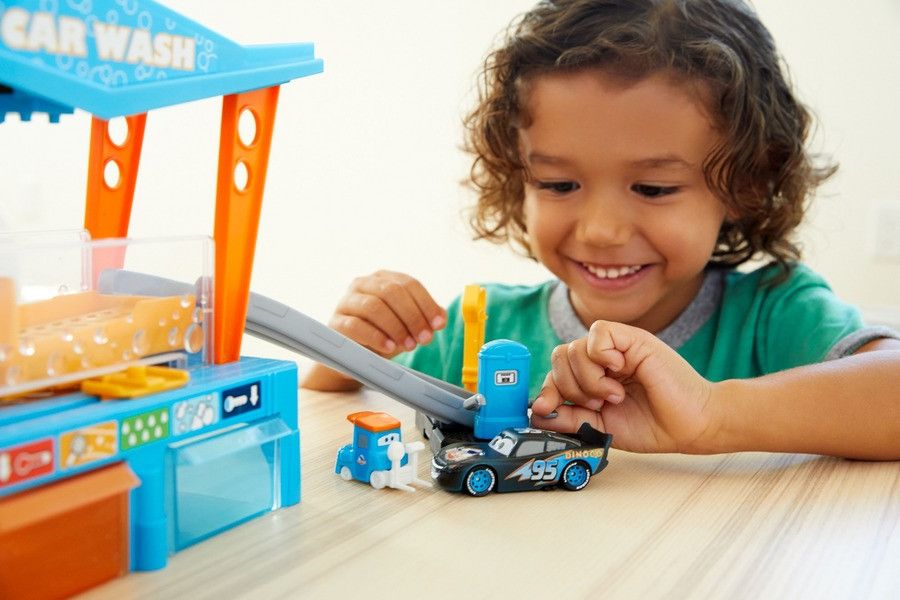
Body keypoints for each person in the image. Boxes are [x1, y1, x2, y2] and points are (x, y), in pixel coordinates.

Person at [303, 0, 900, 460]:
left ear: (745, 183)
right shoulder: (474, 332)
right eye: (559, 184)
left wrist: (712, 413)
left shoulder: (775, 315)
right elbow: (335, 416)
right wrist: (342, 354)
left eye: (654, 188)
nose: (602, 231)